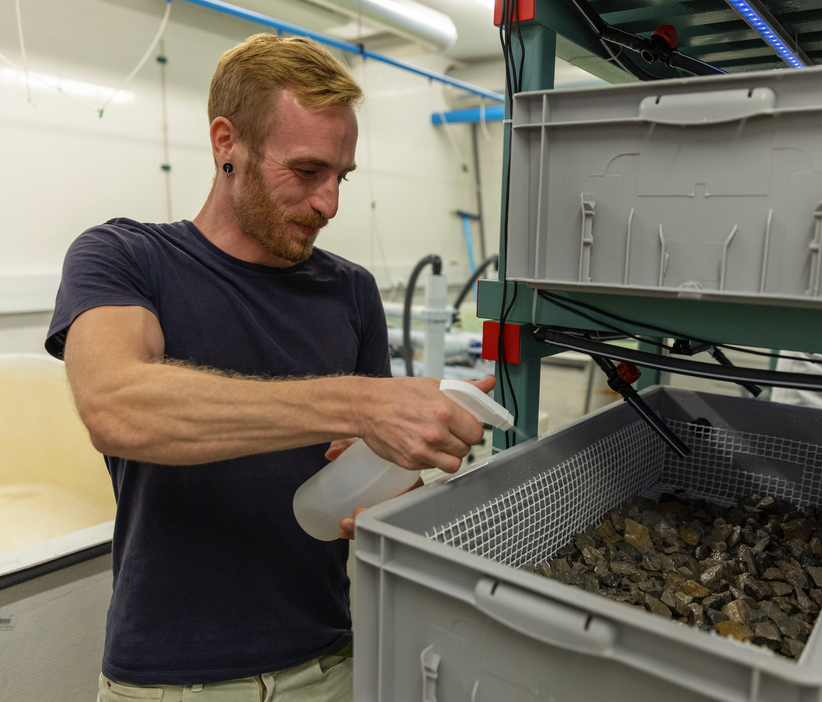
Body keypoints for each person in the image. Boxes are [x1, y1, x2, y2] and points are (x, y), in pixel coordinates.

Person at [44, 33, 492, 701]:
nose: (329, 204)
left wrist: (405, 470)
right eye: (307, 171)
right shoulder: (126, 258)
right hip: (172, 681)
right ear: (227, 143)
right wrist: (362, 403)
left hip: (329, 665)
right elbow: (116, 406)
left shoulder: (351, 291)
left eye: (341, 177)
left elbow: (370, 492)